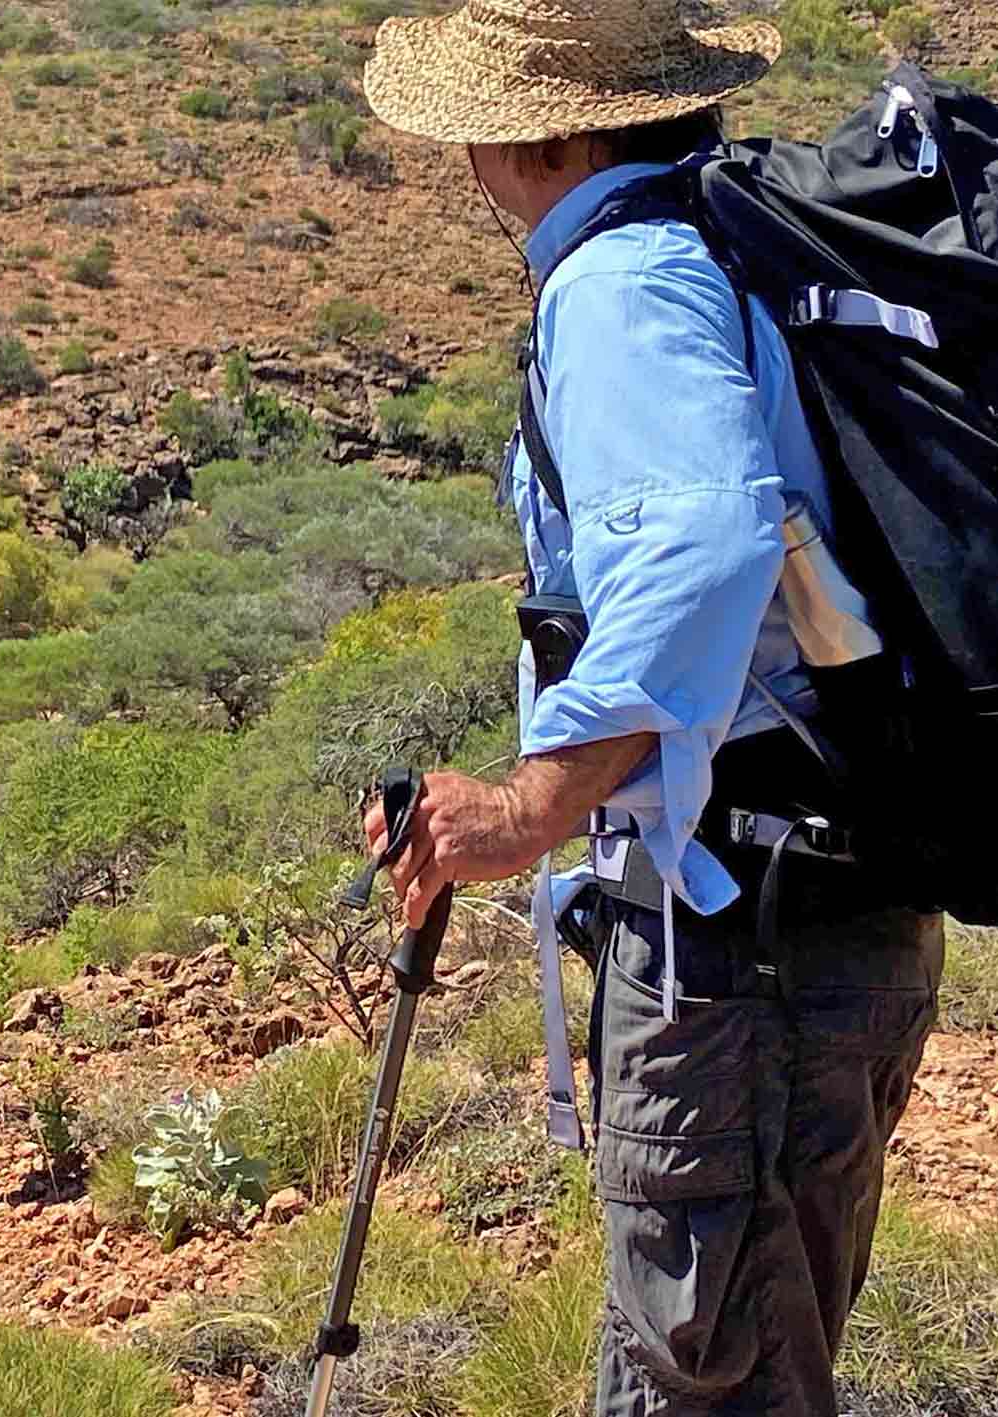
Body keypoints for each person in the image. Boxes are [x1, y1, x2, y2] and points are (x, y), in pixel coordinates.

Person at [360, 4, 942, 1414]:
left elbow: (700, 540)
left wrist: (532, 800)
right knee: (754, 1345)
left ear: (556, 133)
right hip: (834, 893)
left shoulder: (620, 279)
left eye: (484, 132)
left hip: (736, 936)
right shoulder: (746, 245)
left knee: (708, 1375)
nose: (472, 166)